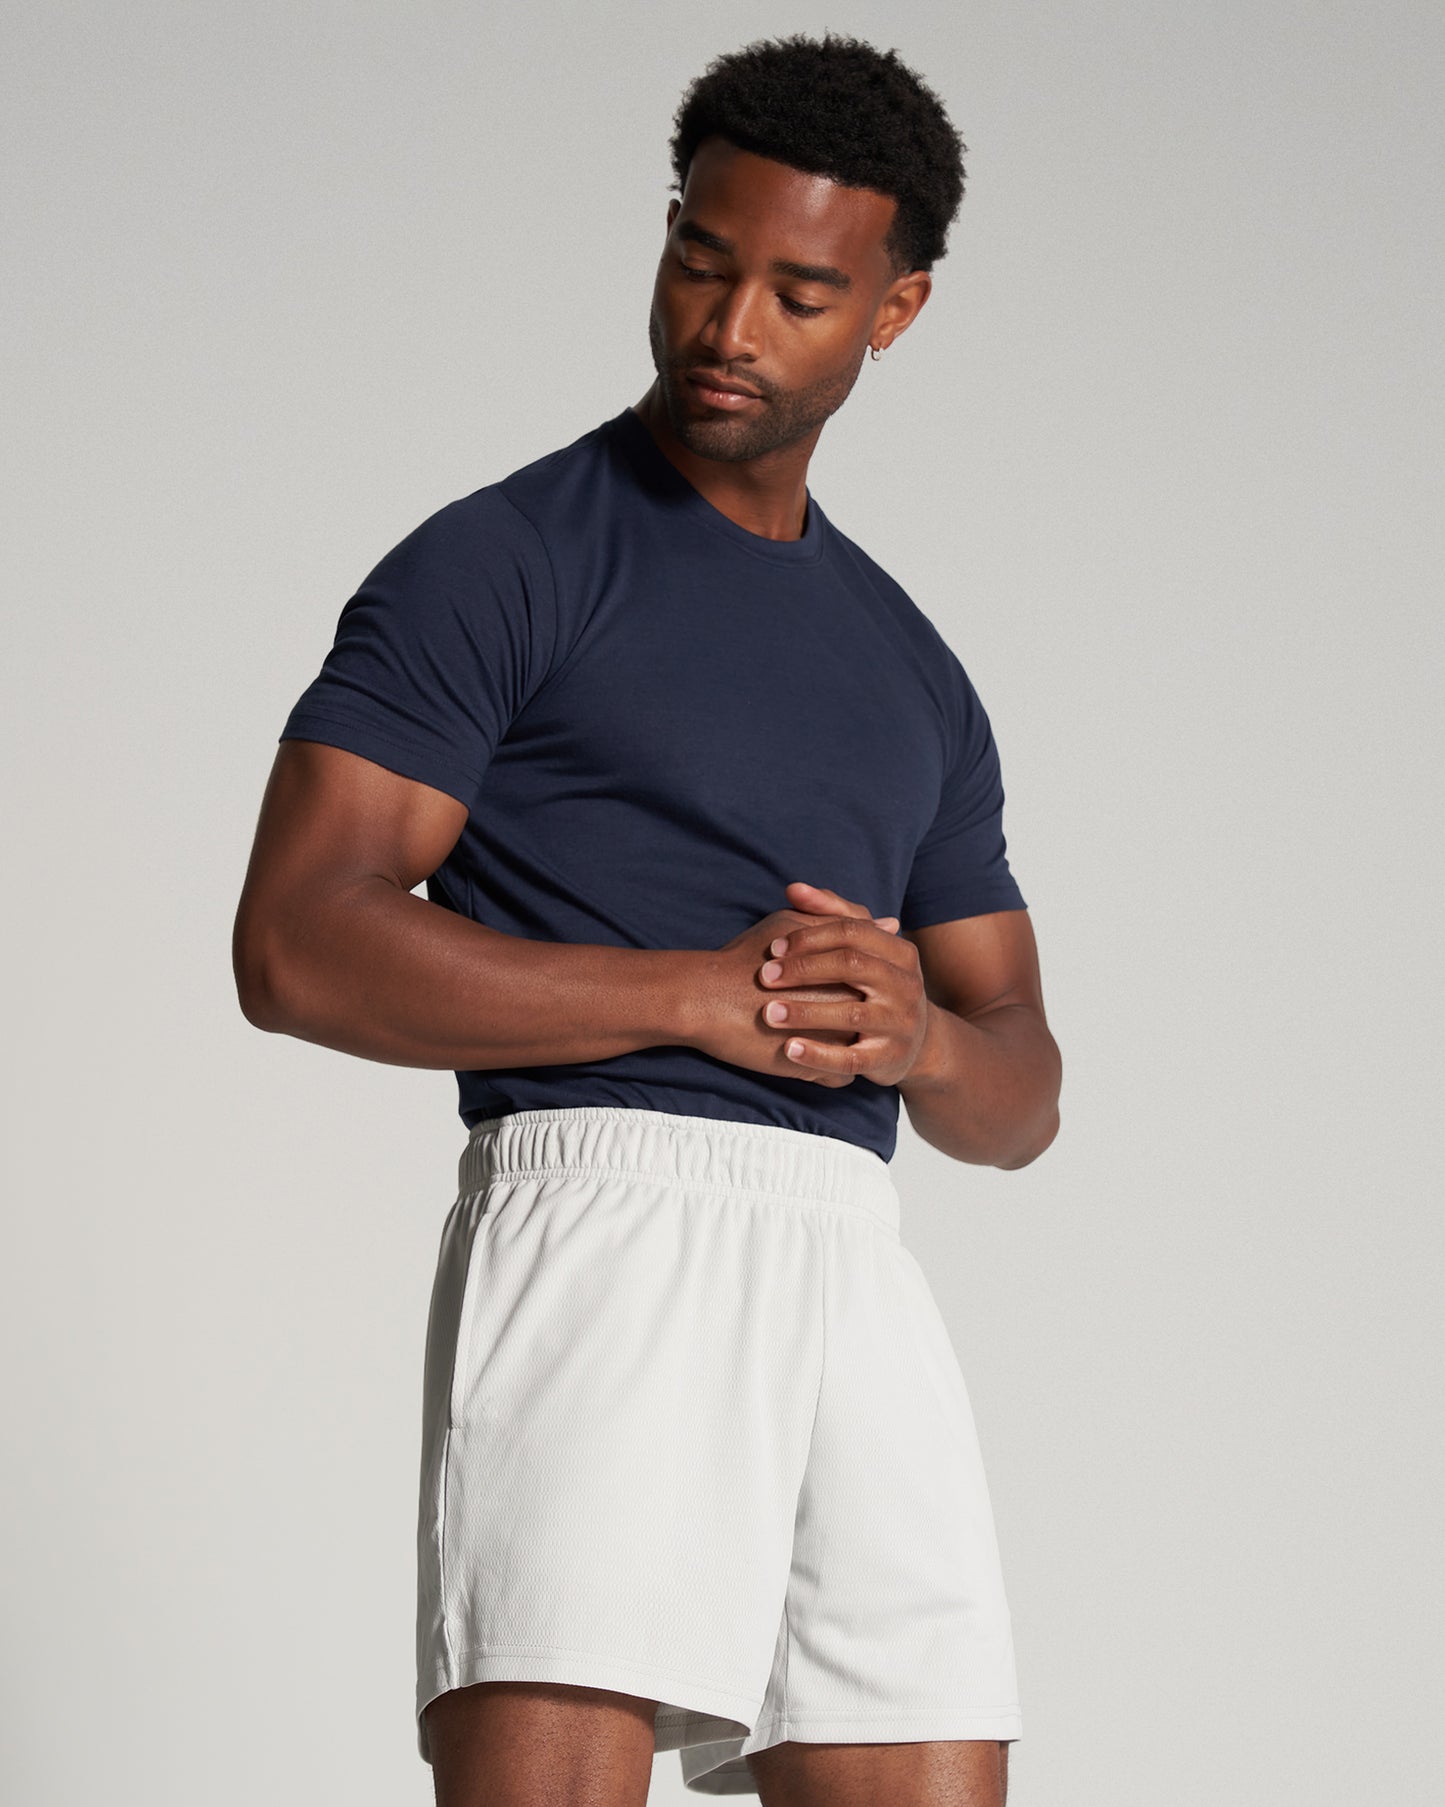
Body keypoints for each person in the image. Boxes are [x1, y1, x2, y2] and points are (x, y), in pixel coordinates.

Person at [233, 28, 1060, 1807]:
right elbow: (295, 942)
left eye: (797, 291)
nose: (727, 327)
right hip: (604, 1211)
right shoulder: (506, 559)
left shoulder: (913, 670)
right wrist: (688, 996)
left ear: (894, 312)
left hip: (850, 1247)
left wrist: (914, 1036)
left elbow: (1022, 1092)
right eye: (700, 259)